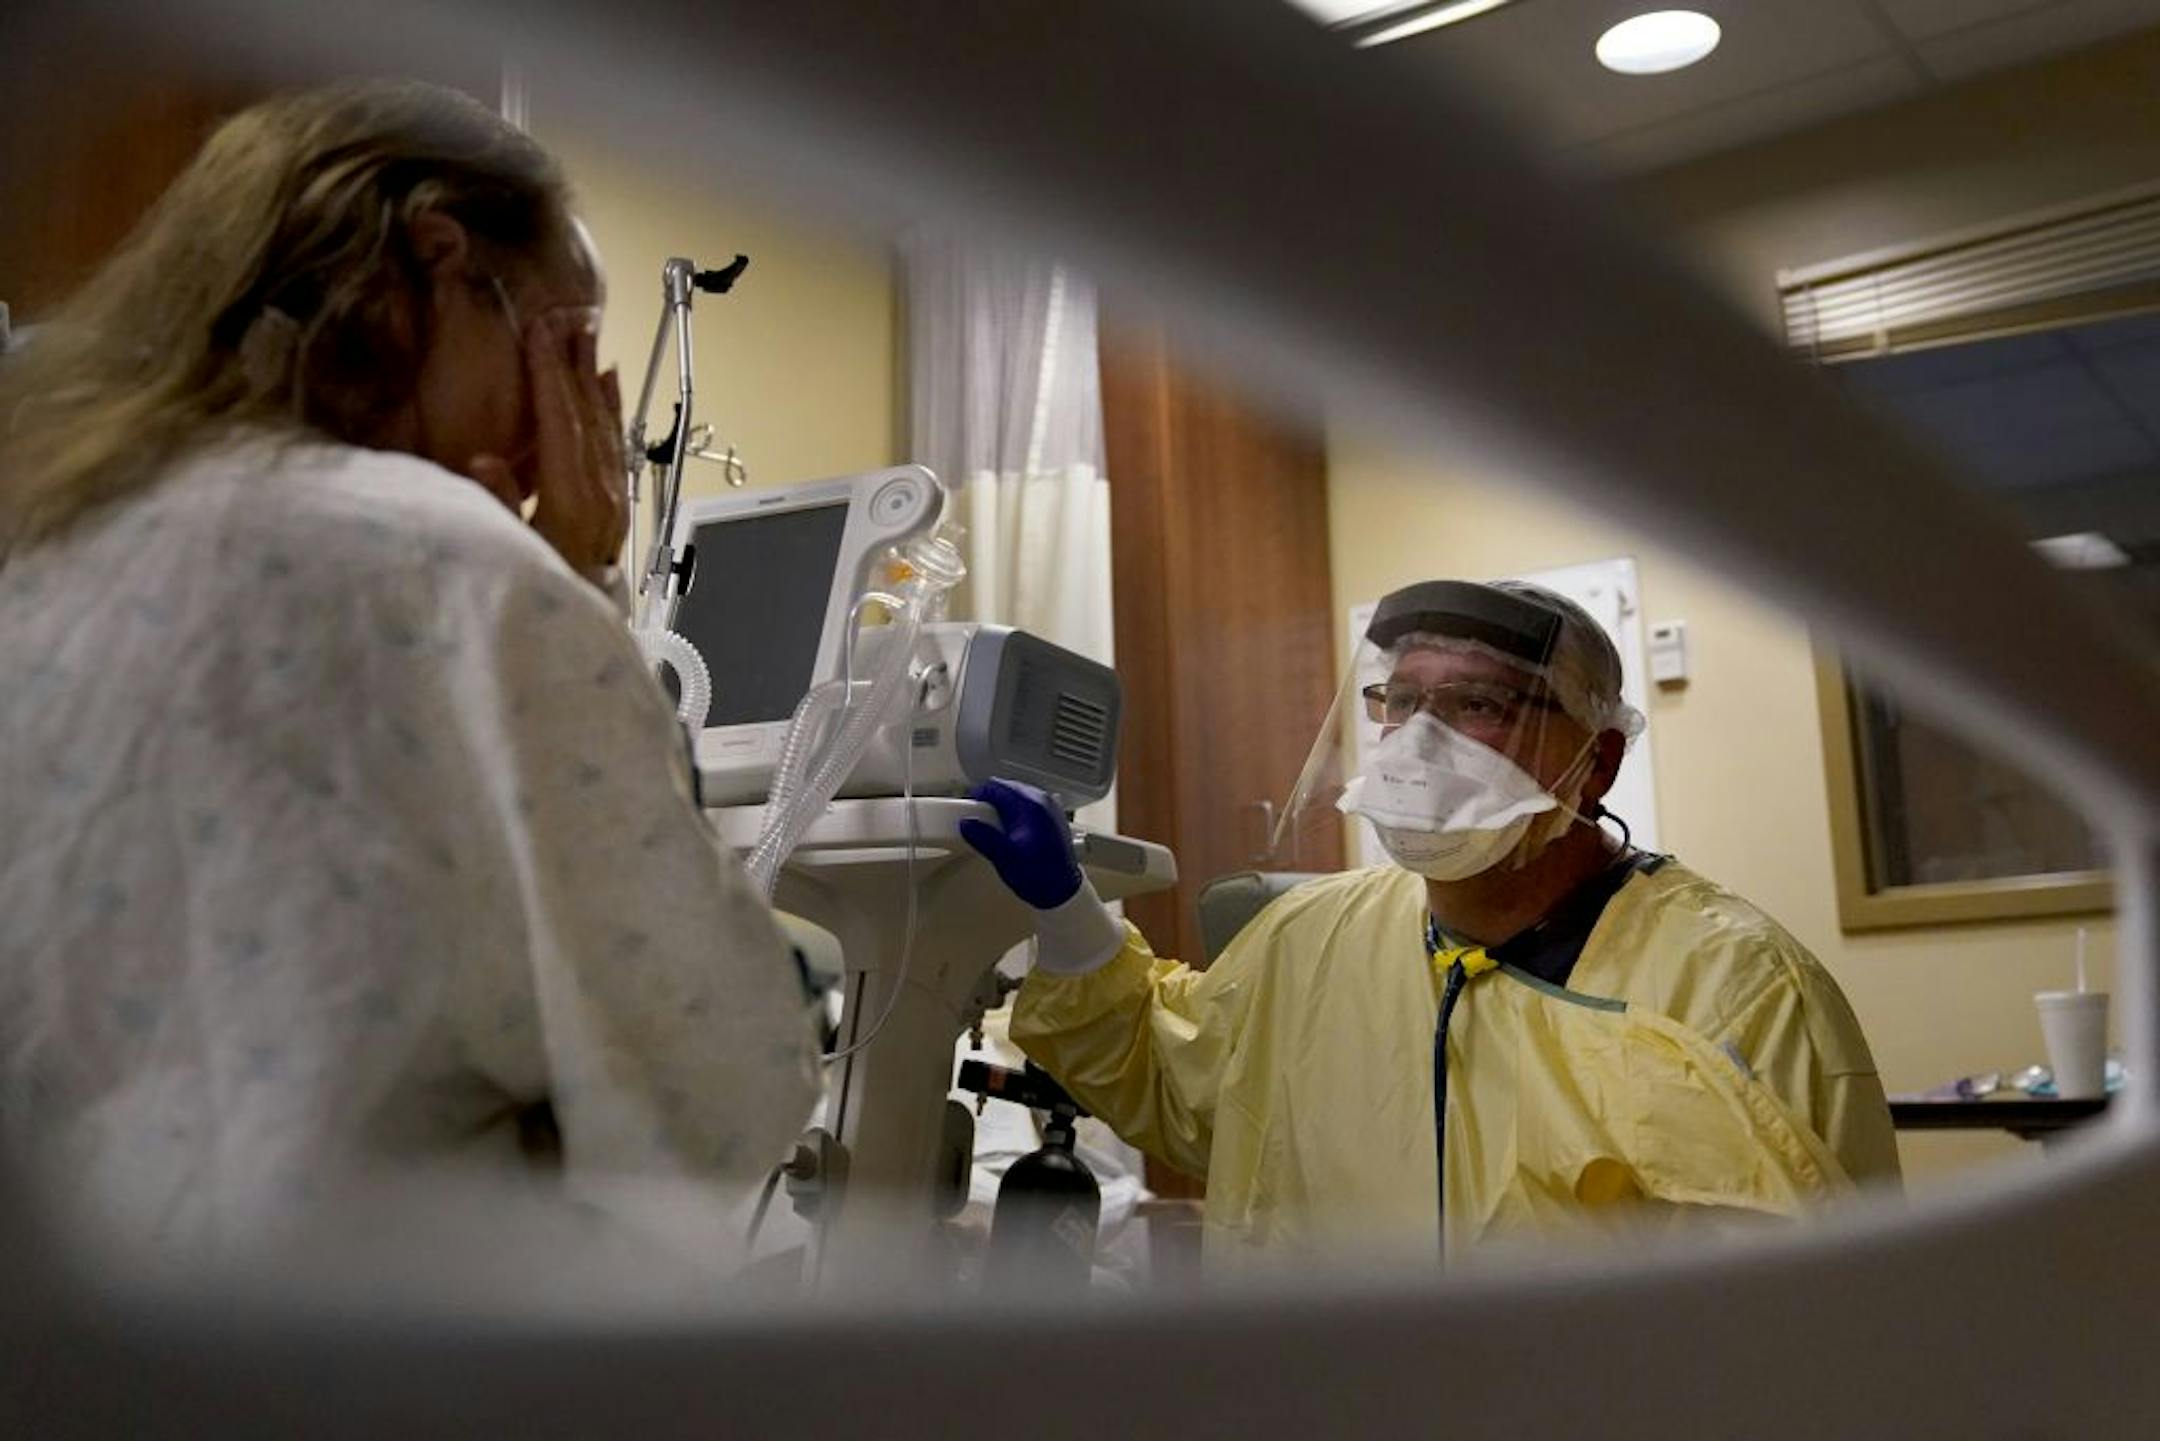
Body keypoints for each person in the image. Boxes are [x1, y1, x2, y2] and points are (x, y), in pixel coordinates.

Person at [0, 81, 819, 1272]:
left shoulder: (51, 532)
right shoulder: (461, 573)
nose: (555, 432)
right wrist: (578, 588)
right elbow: (724, 1094)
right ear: (438, 261)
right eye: (565, 346)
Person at [962, 579, 1899, 1273]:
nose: (1418, 739)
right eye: (1402, 701)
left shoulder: (1734, 984)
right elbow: (1177, 1080)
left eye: (1478, 705)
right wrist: (1066, 909)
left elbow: (1808, 1310)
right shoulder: (1313, 939)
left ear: (1597, 760)